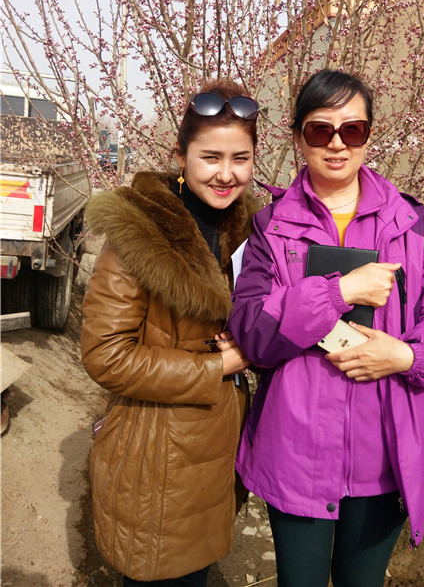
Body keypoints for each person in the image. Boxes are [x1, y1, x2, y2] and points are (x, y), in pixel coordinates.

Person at [228, 69, 424, 587]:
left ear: (368, 135)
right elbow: (252, 330)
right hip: (296, 452)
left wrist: (408, 356)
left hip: (385, 456)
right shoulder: (271, 228)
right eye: (320, 130)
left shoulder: (411, 223)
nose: (337, 144)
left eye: (353, 129)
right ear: (299, 138)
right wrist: (338, 291)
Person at [81, 80, 260, 586]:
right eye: (210, 157)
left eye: (240, 158)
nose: (226, 174)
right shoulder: (141, 234)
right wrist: (220, 364)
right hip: (159, 457)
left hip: (216, 451)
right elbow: (106, 355)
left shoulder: (251, 232)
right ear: (181, 157)